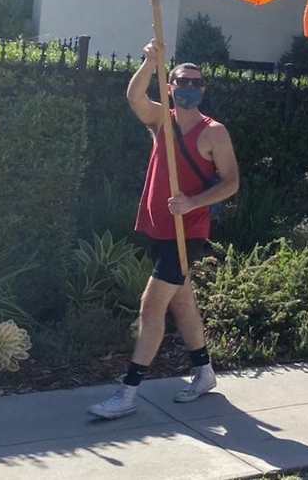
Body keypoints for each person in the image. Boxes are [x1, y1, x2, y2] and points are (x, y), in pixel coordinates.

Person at [89, 41, 241, 419]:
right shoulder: (161, 119)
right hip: (159, 226)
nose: (190, 87)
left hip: (187, 231)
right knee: (182, 302)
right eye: (182, 81)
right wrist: (150, 62)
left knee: (151, 304)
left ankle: (127, 392)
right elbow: (134, 96)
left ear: (203, 89)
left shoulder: (214, 133)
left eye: (197, 82)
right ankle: (204, 373)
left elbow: (231, 182)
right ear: (170, 86)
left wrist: (193, 202)